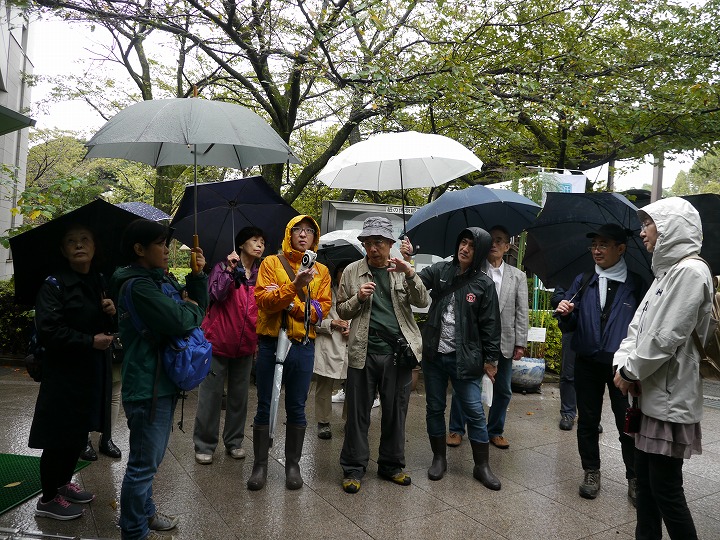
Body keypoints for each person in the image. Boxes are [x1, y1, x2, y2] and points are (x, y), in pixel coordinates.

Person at [614, 198, 712, 540]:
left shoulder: (690, 272)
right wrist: (623, 363)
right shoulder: (665, 273)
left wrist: (628, 373)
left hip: (669, 401)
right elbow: (636, 329)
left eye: (648, 224)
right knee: (648, 492)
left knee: (666, 492)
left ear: (670, 228)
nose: (643, 232)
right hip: (650, 398)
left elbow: (663, 339)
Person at [110, 219, 208, 540]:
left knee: (149, 462)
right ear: (139, 249)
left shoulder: (156, 281)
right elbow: (180, 319)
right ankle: (134, 531)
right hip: (146, 387)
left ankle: (146, 514)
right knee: (142, 466)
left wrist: (196, 278)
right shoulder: (138, 287)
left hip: (161, 383)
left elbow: (193, 311)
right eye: (160, 244)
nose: (167, 250)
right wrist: (189, 311)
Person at [336, 217, 429, 494]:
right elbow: (341, 311)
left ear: (390, 244)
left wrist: (410, 273)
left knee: (395, 412)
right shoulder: (352, 271)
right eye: (368, 242)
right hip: (362, 351)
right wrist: (359, 299)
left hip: (397, 353)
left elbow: (423, 301)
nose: (372, 248)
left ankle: (391, 465)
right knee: (357, 413)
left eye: (378, 242)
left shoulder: (401, 268)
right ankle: (353, 468)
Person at [30, 224, 116, 521]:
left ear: (94, 246)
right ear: (63, 250)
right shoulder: (53, 284)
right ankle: (48, 499)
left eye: (85, 239)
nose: (79, 245)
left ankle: (64, 483)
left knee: (77, 432)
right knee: (58, 434)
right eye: (71, 241)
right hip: (63, 373)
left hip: (90, 371)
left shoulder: (100, 280)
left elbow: (108, 327)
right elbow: (49, 331)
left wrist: (111, 311)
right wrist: (89, 341)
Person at [554, 223, 644, 504]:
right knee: (588, 421)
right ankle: (591, 471)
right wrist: (565, 312)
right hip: (587, 362)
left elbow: (645, 326)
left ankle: (634, 477)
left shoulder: (636, 284)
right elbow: (569, 326)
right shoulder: (583, 281)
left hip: (622, 367)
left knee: (626, 424)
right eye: (594, 245)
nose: (596, 250)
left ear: (621, 248)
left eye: (603, 245)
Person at [405, 227, 502, 488]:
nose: (465, 248)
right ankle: (439, 458)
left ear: (478, 251)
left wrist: (491, 360)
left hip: (466, 359)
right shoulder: (441, 271)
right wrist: (407, 265)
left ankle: (482, 466)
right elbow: (415, 284)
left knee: (474, 410)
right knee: (434, 407)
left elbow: (491, 326)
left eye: (471, 245)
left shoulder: (484, 284)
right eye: (462, 242)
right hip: (435, 356)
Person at [247, 215, 332, 491]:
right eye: (298, 230)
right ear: (289, 234)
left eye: (309, 230)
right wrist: (295, 287)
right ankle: (259, 464)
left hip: (303, 347)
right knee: (264, 404)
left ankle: (293, 465)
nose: (304, 235)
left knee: (297, 406)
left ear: (315, 237)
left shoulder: (322, 270)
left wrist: (291, 304)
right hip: (272, 343)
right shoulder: (271, 263)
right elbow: (265, 301)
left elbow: (321, 311)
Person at [446, 225, 527, 450]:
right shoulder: (472, 270)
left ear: (507, 246)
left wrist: (521, 342)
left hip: (504, 342)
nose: (494, 244)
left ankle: (495, 431)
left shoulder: (517, 276)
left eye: (500, 240)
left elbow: (522, 311)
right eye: (491, 240)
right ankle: (456, 429)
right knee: (464, 386)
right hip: (473, 341)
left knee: (503, 389)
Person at [193, 226, 265, 464]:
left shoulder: (261, 274)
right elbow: (215, 294)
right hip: (218, 342)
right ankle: (204, 444)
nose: (259, 245)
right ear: (242, 244)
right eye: (254, 240)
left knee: (239, 398)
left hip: (245, 345)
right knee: (211, 396)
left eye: (262, 242)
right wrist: (229, 271)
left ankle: (234, 442)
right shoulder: (223, 268)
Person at [313, 262, 350, 440]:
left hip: (351, 345)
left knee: (353, 386)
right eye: (341, 271)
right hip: (328, 343)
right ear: (335, 275)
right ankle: (323, 422)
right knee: (324, 386)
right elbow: (312, 319)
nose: (344, 275)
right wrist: (332, 323)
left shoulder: (360, 294)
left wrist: (354, 328)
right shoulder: (323, 292)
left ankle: (350, 421)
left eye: (347, 271)